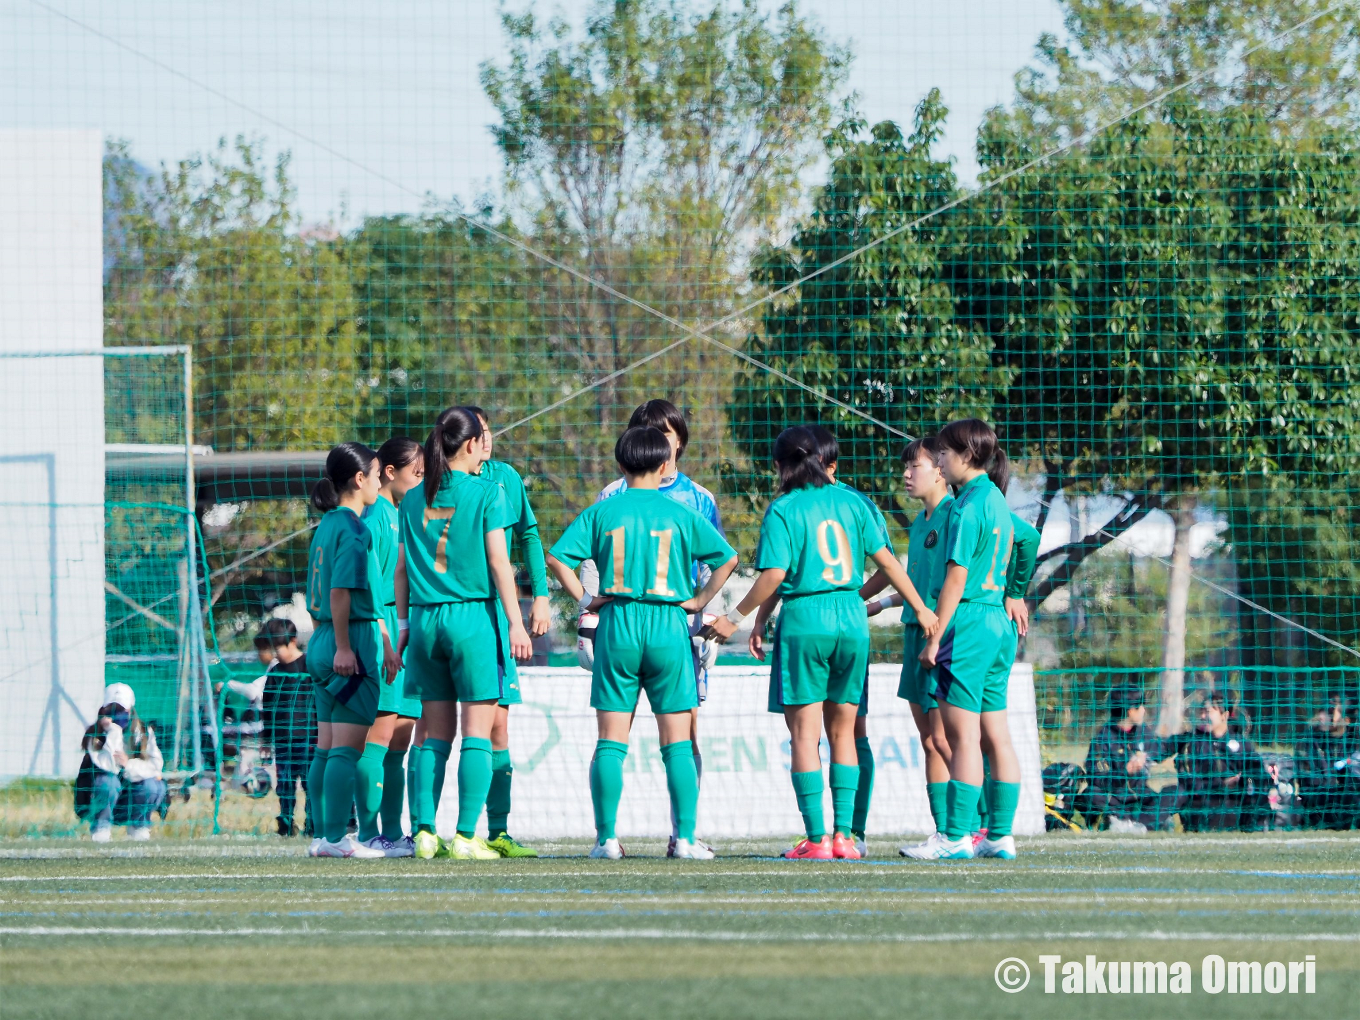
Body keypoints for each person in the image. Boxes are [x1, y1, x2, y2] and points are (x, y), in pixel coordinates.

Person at [706, 426, 927, 860]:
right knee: (844, 732)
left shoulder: (784, 508)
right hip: (851, 617)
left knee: (805, 737)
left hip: (806, 617)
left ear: (780, 465)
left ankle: (816, 839)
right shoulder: (854, 502)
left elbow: (775, 574)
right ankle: (845, 837)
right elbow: (888, 562)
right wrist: (921, 608)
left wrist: (736, 618)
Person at [547, 426, 738, 860]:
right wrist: (699, 601)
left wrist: (586, 600)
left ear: (620, 464)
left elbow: (556, 558)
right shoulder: (681, 512)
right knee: (677, 741)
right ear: (664, 463)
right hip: (669, 625)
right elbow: (728, 559)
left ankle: (606, 840)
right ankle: (685, 839)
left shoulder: (603, 511)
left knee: (611, 740)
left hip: (618, 623)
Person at [585, 399, 726, 857]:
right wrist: (589, 616)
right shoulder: (611, 493)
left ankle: (680, 832)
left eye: (665, 432)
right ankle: (615, 834)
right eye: (646, 430)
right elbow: (592, 560)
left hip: (673, 627)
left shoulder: (699, 497)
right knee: (620, 733)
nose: (658, 440)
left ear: (679, 440)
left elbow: (710, 566)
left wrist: (707, 618)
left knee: (686, 733)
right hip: (653, 623)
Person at [396, 406, 534, 860]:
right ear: (472, 443)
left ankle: (424, 832)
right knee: (478, 732)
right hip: (473, 618)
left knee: (433, 734)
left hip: (424, 621)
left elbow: (401, 569)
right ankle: (466, 836)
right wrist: (515, 622)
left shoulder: (412, 497)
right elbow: (498, 561)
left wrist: (403, 625)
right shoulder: (488, 491)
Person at [805, 424, 934, 857]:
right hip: (831, 626)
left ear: (829, 464)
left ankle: (850, 831)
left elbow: (888, 564)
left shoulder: (854, 503)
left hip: (831, 624)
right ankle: (827, 834)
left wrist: (852, 598)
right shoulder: (798, 501)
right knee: (814, 730)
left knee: (846, 729)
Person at [901, 419, 1022, 861]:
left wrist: (935, 639)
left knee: (964, 738)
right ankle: (999, 835)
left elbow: (955, 577)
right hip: (997, 622)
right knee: (997, 735)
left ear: (966, 456)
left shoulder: (967, 506)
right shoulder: (997, 500)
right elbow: (1026, 540)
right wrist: (1015, 592)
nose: (939, 461)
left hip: (968, 621)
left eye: (944, 454)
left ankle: (954, 837)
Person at [305, 442, 401, 859]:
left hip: (321, 638)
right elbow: (341, 591)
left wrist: (329, 641)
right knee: (346, 750)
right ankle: (335, 839)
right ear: (360, 479)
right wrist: (345, 647)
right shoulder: (355, 529)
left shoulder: (326, 524)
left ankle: (321, 836)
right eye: (377, 475)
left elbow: (320, 591)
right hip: (350, 640)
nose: (380, 482)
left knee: (326, 747)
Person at [468, 406, 551, 858]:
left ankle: (496, 830)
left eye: (488, 430)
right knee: (423, 730)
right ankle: (421, 829)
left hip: (494, 617)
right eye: (476, 432)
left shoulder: (505, 478)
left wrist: (541, 595)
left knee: (497, 726)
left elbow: (529, 535)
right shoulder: (437, 483)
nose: (485, 438)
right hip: (448, 614)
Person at [864, 437, 953, 835]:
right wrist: (879, 604)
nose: (905, 474)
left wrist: (1013, 593)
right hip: (915, 635)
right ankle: (945, 830)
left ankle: (976, 825)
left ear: (940, 469)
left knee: (947, 739)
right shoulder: (919, 523)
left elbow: (955, 585)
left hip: (943, 637)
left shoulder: (956, 516)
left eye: (914, 466)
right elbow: (916, 587)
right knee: (929, 740)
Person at [358, 436, 425, 856]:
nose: (421, 482)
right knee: (378, 738)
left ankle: (394, 831)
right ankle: (366, 832)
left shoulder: (401, 515)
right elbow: (368, 585)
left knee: (399, 743)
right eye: (416, 474)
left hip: (406, 633)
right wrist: (384, 638)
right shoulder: (374, 518)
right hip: (385, 637)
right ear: (389, 472)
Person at [224, 618, 314, 837]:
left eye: (279, 647)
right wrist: (266, 738)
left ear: (293, 641)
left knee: (311, 784)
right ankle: (286, 824)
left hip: (310, 739)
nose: (276, 653)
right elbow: (269, 707)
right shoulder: (274, 673)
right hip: (283, 741)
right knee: (285, 785)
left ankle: (313, 825)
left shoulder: (310, 665)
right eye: (272, 648)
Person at [1080, 682, 1185, 832]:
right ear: (1130, 710)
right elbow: (1097, 780)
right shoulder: (1102, 740)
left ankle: (1138, 826)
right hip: (1116, 801)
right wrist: (1125, 772)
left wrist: (1188, 737)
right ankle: (1144, 823)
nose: (1144, 710)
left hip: (1141, 799)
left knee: (1176, 792)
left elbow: (1160, 748)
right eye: (1141, 706)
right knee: (1091, 794)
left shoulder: (1142, 732)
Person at [75, 683, 166, 842]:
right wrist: (113, 731)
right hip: (97, 802)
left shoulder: (143, 732)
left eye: (121, 709)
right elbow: (109, 766)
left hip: (129, 800)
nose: (116, 714)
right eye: (111, 709)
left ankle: (138, 828)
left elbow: (156, 765)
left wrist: (129, 765)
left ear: (130, 710)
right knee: (107, 782)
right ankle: (101, 830)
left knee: (153, 786)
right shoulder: (94, 735)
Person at [1180, 693, 1273, 831]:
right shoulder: (1194, 743)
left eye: (1208, 712)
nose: (1203, 716)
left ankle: (1256, 829)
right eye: (1201, 712)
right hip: (1207, 802)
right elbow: (1190, 781)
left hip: (1237, 801)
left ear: (1224, 715)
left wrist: (1251, 780)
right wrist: (1222, 785)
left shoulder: (1242, 743)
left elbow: (1258, 772)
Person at [1295, 692, 1359, 829]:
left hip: (1345, 800)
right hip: (1318, 801)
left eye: (1332, 711)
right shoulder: (1310, 741)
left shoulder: (1351, 740)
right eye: (1324, 710)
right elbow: (1309, 780)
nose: (1325, 716)